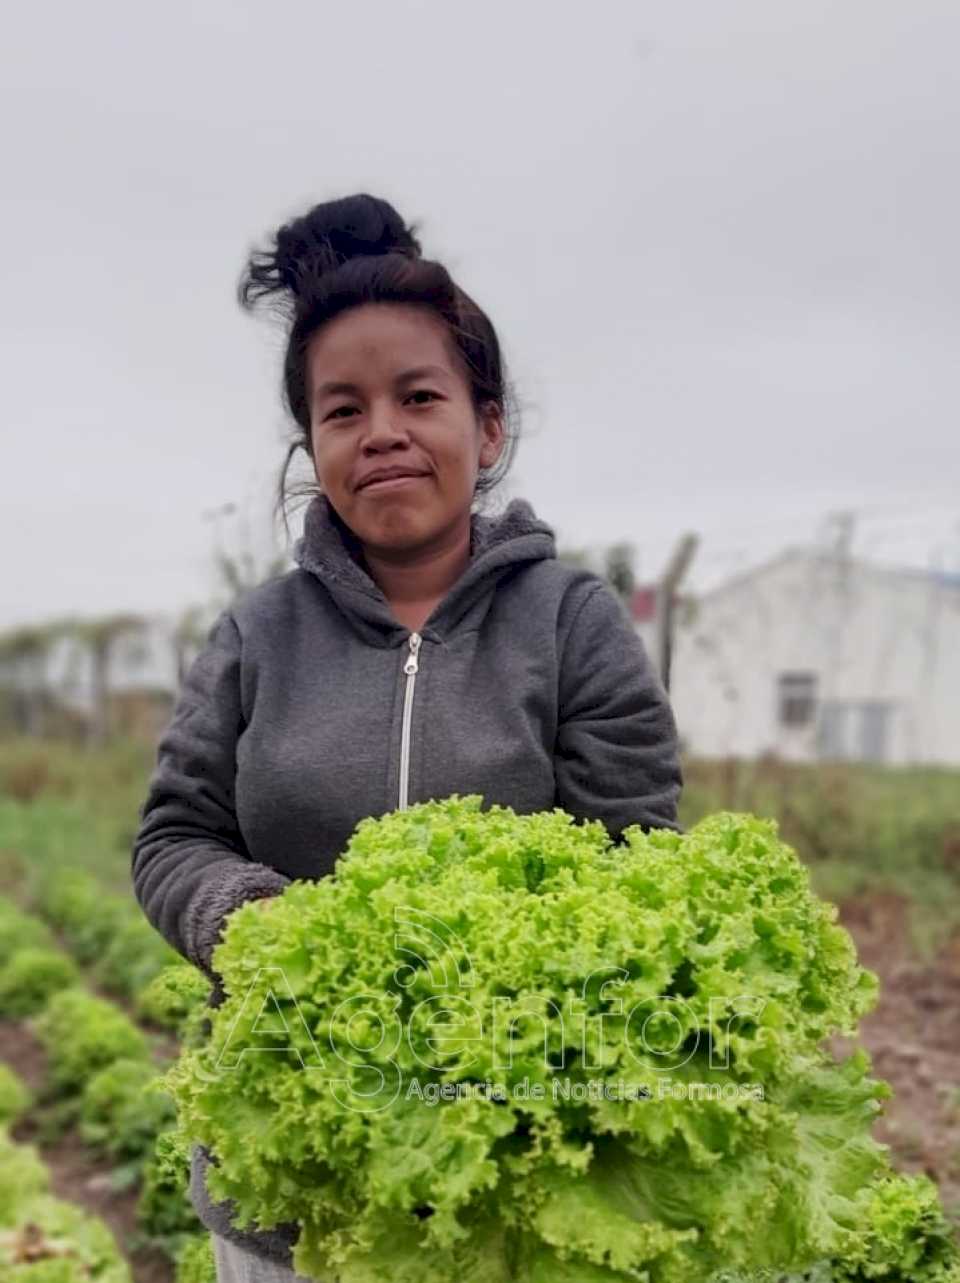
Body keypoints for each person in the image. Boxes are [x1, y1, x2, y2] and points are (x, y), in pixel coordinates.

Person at [131, 193, 684, 1282]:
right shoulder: (255, 634)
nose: (380, 429)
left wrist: (505, 979)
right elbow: (173, 838)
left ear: (486, 427)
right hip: (285, 1181)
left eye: (417, 396)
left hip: (515, 1175)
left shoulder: (573, 624)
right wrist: (252, 924)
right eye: (343, 410)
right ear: (315, 447)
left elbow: (640, 865)